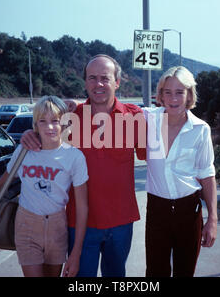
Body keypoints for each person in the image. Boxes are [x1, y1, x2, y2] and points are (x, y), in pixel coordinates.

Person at [20, 54, 146, 277]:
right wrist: (30, 134)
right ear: (85, 82)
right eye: (92, 78)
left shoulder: (134, 117)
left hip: (121, 222)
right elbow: (44, 131)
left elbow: (157, 154)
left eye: (105, 78)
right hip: (80, 224)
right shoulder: (68, 118)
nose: (98, 84)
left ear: (117, 82)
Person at [0, 95, 89, 277]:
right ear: (35, 124)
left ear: (64, 122)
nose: (49, 127)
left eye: (55, 121)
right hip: (26, 224)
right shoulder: (24, 151)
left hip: (57, 227)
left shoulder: (74, 157)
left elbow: (82, 207)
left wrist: (76, 254)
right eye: (43, 121)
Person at [143, 66, 217, 277]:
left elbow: (207, 176)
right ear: (160, 94)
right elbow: (111, 111)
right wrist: (70, 108)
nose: (173, 98)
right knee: (155, 274)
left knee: (185, 272)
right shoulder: (147, 119)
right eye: (167, 92)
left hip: (189, 211)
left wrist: (212, 219)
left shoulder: (201, 129)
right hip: (157, 210)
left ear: (189, 95)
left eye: (179, 92)